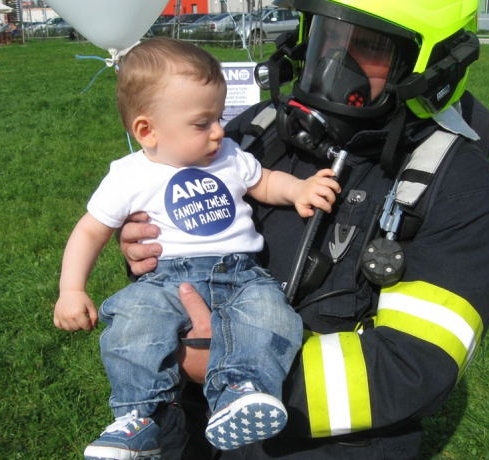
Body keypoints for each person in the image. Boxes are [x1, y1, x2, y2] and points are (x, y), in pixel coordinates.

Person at [118, 0, 489, 459]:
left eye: (369, 48)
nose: (335, 62)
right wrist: (148, 249)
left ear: (433, 67)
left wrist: (235, 370)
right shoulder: (254, 134)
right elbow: (184, 244)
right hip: (189, 429)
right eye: (329, 34)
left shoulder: (461, 191)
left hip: (318, 445)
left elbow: (411, 366)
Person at [53, 38, 341, 460]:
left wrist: (297, 189)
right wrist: (71, 290)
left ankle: (239, 393)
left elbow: (262, 181)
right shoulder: (128, 175)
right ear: (147, 131)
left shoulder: (226, 155)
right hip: (167, 278)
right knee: (134, 323)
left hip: (243, 275)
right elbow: (90, 232)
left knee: (270, 317)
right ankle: (139, 416)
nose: (219, 131)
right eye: (202, 122)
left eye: (219, 117)